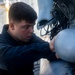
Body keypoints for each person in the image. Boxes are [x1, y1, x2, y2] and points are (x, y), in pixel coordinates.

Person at [0, 2, 57, 75]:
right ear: (12, 26)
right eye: (26, 27)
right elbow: (7, 59)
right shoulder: (2, 43)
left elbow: (48, 50)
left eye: (32, 26)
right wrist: (47, 48)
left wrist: (56, 51)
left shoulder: (29, 37)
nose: (32, 31)